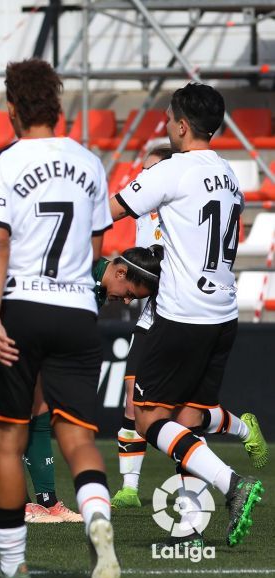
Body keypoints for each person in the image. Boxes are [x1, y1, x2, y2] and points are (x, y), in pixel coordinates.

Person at [0, 58, 119, 578]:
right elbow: (97, 245)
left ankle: (12, 566)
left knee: (8, 442)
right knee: (79, 439)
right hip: (79, 310)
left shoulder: (2, 164)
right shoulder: (89, 161)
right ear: (57, 108)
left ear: (13, 108)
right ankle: (96, 518)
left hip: (22, 307)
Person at [109, 82, 264, 547]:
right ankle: (193, 525)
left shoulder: (174, 170)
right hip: (223, 310)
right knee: (188, 420)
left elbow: (113, 208)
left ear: (180, 125)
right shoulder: (229, 173)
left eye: (169, 119)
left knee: (146, 418)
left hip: (183, 315)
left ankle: (234, 485)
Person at [0, 245, 164, 524]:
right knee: (17, 414)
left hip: (28, 336)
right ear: (121, 272)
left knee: (39, 408)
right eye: (129, 295)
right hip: (2, 329)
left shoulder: (98, 286)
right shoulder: (79, 268)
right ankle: (9, 498)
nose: (125, 302)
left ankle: (47, 502)